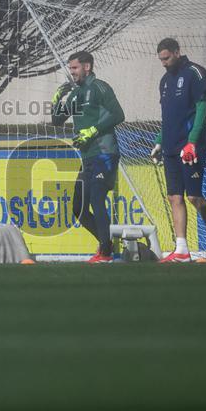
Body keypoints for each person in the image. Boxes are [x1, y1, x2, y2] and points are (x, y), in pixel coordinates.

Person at [149, 38, 206, 262]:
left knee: (193, 196)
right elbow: (168, 117)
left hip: (192, 146)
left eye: (166, 58)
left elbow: (202, 108)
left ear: (176, 52)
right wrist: (158, 142)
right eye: (161, 60)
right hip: (171, 147)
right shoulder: (165, 80)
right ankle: (181, 249)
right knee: (174, 197)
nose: (163, 63)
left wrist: (192, 141)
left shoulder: (196, 73)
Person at [52, 51, 125, 263]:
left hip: (105, 153)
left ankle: (104, 252)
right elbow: (57, 120)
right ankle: (106, 244)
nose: (71, 72)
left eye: (74, 68)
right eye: (70, 68)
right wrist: (57, 99)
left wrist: (93, 130)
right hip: (87, 158)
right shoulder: (76, 94)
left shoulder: (100, 87)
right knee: (78, 207)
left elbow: (119, 114)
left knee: (96, 198)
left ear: (87, 67)